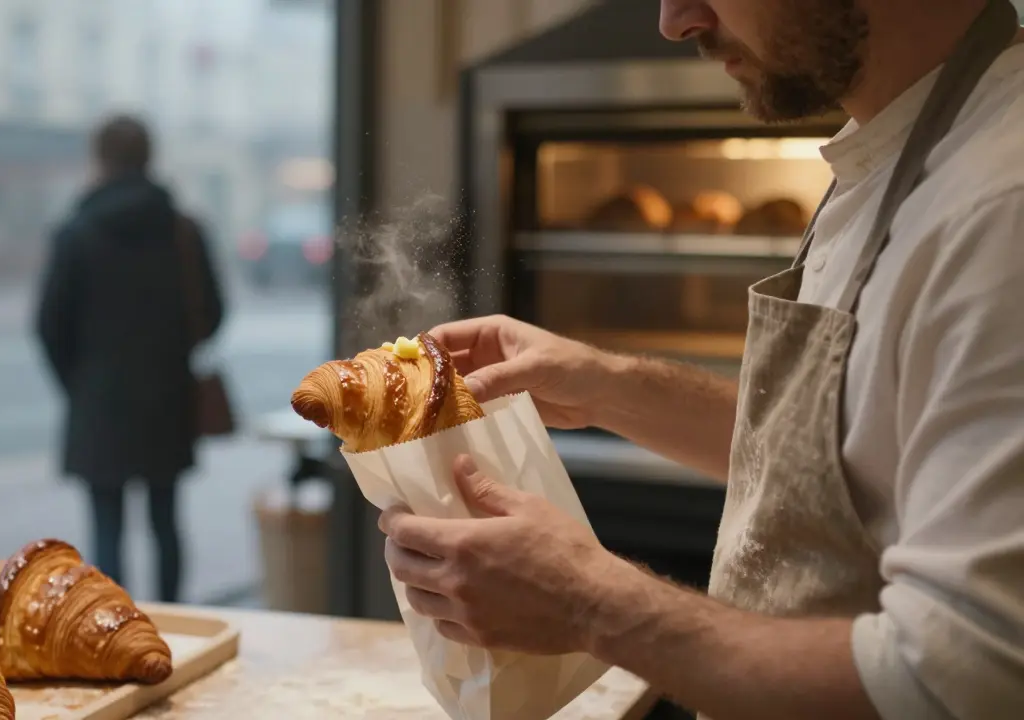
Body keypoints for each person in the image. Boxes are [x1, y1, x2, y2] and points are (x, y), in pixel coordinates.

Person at [379, 2, 1024, 719]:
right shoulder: (892, 148)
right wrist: (601, 385)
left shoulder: (1001, 205)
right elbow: (839, 455)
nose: (674, 20)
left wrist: (591, 602)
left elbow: (958, 682)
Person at [35, 115, 224, 603]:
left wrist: (79, 381)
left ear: (100, 160)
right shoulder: (183, 230)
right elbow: (214, 312)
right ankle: (173, 623)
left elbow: (49, 326)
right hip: (168, 396)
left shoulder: (76, 232)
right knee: (166, 522)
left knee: (106, 528)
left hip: (99, 402)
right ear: (148, 158)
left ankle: (115, 631)